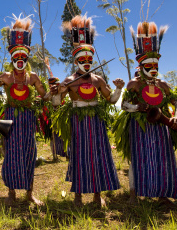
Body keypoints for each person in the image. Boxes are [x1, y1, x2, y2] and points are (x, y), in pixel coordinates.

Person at [51, 15, 123, 207]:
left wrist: (118, 89)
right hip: (79, 123)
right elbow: (57, 103)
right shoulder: (68, 80)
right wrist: (56, 92)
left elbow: (111, 100)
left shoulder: (98, 80)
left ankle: (98, 196)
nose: (87, 62)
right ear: (76, 61)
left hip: (97, 123)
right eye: (82, 59)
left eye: (89, 59)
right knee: (79, 156)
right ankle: (78, 196)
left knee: (98, 155)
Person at [115, 18, 177, 204]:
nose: (153, 69)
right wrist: (137, 107)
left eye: (155, 66)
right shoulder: (134, 84)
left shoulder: (164, 85)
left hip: (161, 125)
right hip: (139, 125)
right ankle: (134, 195)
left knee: (163, 158)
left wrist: (176, 116)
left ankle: (162, 195)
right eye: (149, 66)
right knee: (140, 158)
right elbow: (124, 105)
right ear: (141, 66)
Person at [0, 15, 50, 206]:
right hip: (11, 119)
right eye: (16, 57)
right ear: (12, 57)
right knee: (12, 154)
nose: (20, 60)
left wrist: (52, 92)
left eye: (23, 57)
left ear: (27, 57)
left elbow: (44, 96)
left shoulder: (33, 77)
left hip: (28, 118)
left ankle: (29, 193)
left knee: (30, 153)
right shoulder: (5, 77)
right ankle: (11, 193)